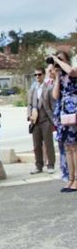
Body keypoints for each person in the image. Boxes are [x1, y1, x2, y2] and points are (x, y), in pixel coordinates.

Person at [50, 51, 77, 192]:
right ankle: (71, 179)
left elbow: (71, 71)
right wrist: (57, 76)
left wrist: (58, 61)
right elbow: (55, 95)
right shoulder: (61, 75)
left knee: (75, 147)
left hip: (74, 110)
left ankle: (76, 179)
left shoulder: (73, 71)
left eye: (61, 59)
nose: (57, 61)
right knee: (67, 147)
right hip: (63, 112)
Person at [27, 67, 56, 174]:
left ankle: (51, 165)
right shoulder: (32, 89)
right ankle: (38, 166)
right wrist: (29, 116)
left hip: (46, 119)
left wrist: (53, 118)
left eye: (39, 74)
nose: (37, 77)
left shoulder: (49, 88)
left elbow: (53, 104)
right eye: (35, 75)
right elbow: (29, 104)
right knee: (36, 145)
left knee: (48, 144)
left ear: (43, 75)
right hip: (35, 121)